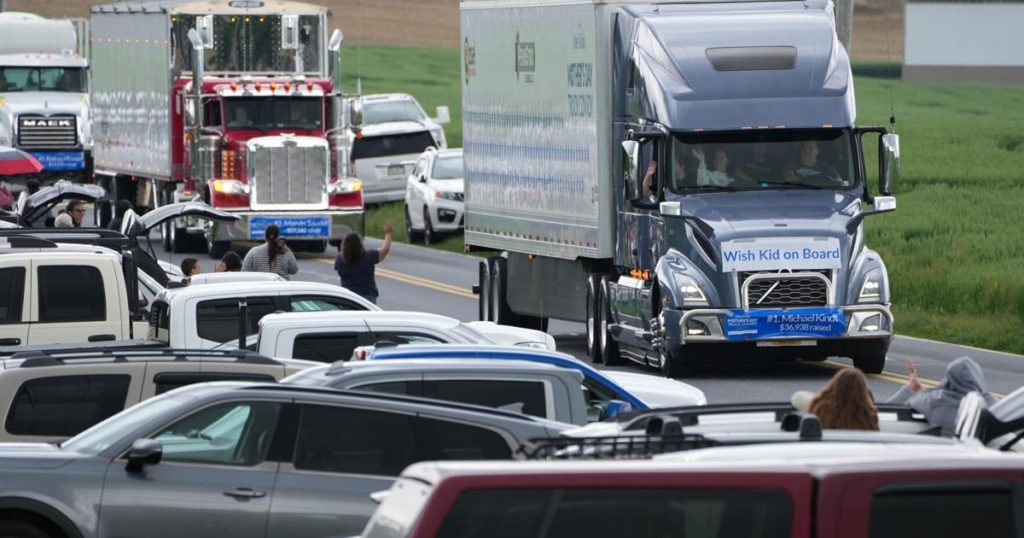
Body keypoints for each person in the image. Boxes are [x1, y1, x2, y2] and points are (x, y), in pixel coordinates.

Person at [886, 357, 996, 437]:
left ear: (948, 380)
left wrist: (911, 387)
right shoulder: (990, 404)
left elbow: (889, 408)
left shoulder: (936, 401)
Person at [799, 369, 880, 431]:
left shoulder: (821, 408)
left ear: (833, 387)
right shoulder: (870, 415)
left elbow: (798, 396)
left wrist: (822, 397)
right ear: (863, 393)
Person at [335, 223, 393, 304]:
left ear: (344, 245)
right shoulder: (368, 256)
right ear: (359, 244)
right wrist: (388, 233)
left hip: (348, 297)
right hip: (368, 297)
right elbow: (385, 249)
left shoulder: (339, 259)